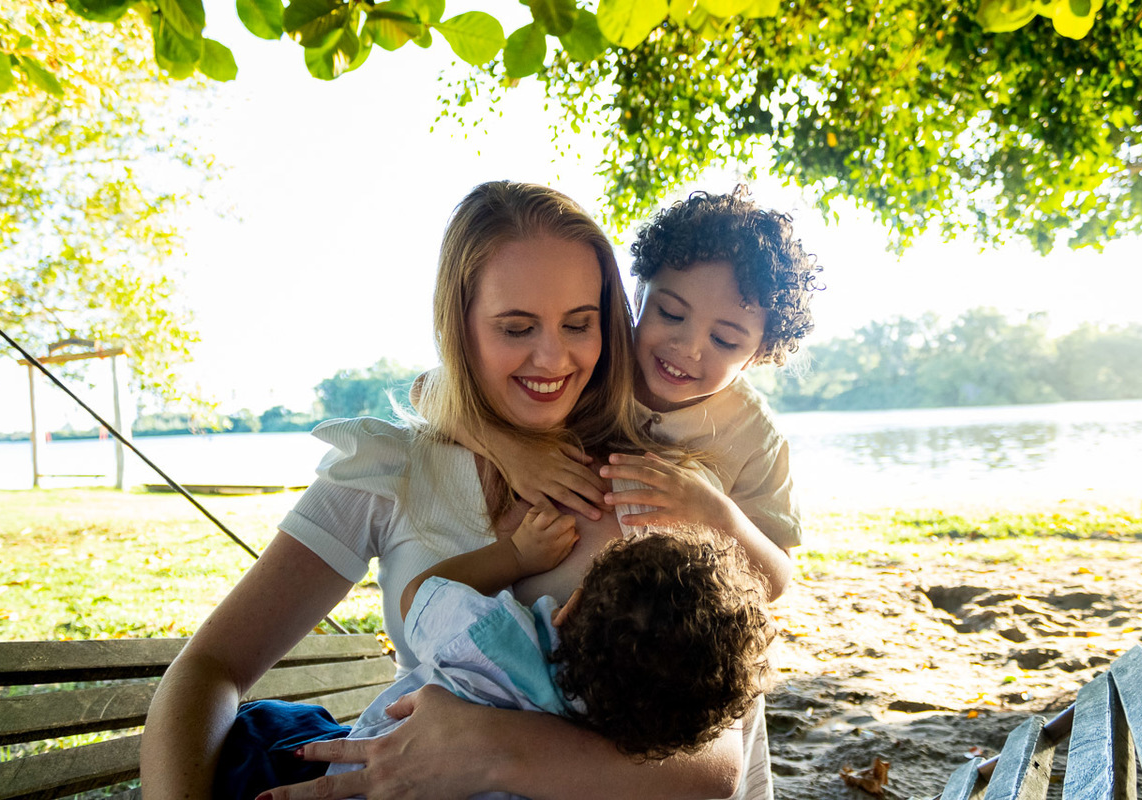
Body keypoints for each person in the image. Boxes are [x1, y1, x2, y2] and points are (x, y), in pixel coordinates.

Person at [140, 181, 759, 799]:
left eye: (579, 324)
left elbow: (716, 764)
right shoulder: (388, 468)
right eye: (516, 328)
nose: (552, 359)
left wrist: (495, 751)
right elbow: (209, 669)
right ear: (458, 326)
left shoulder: (650, 487)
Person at [447, 187, 820, 601]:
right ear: (639, 295)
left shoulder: (755, 436)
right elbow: (429, 391)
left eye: (724, 340)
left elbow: (778, 578)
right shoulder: (595, 353)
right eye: (671, 313)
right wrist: (512, 453)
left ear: (758, 354)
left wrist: (718, 515)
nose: (688, 347)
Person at [319, 520, 776, 800]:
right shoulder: (609, 751)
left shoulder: (493, 635)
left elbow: (418, 594)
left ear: (571, 606)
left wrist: (515, 554)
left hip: (358, 765)